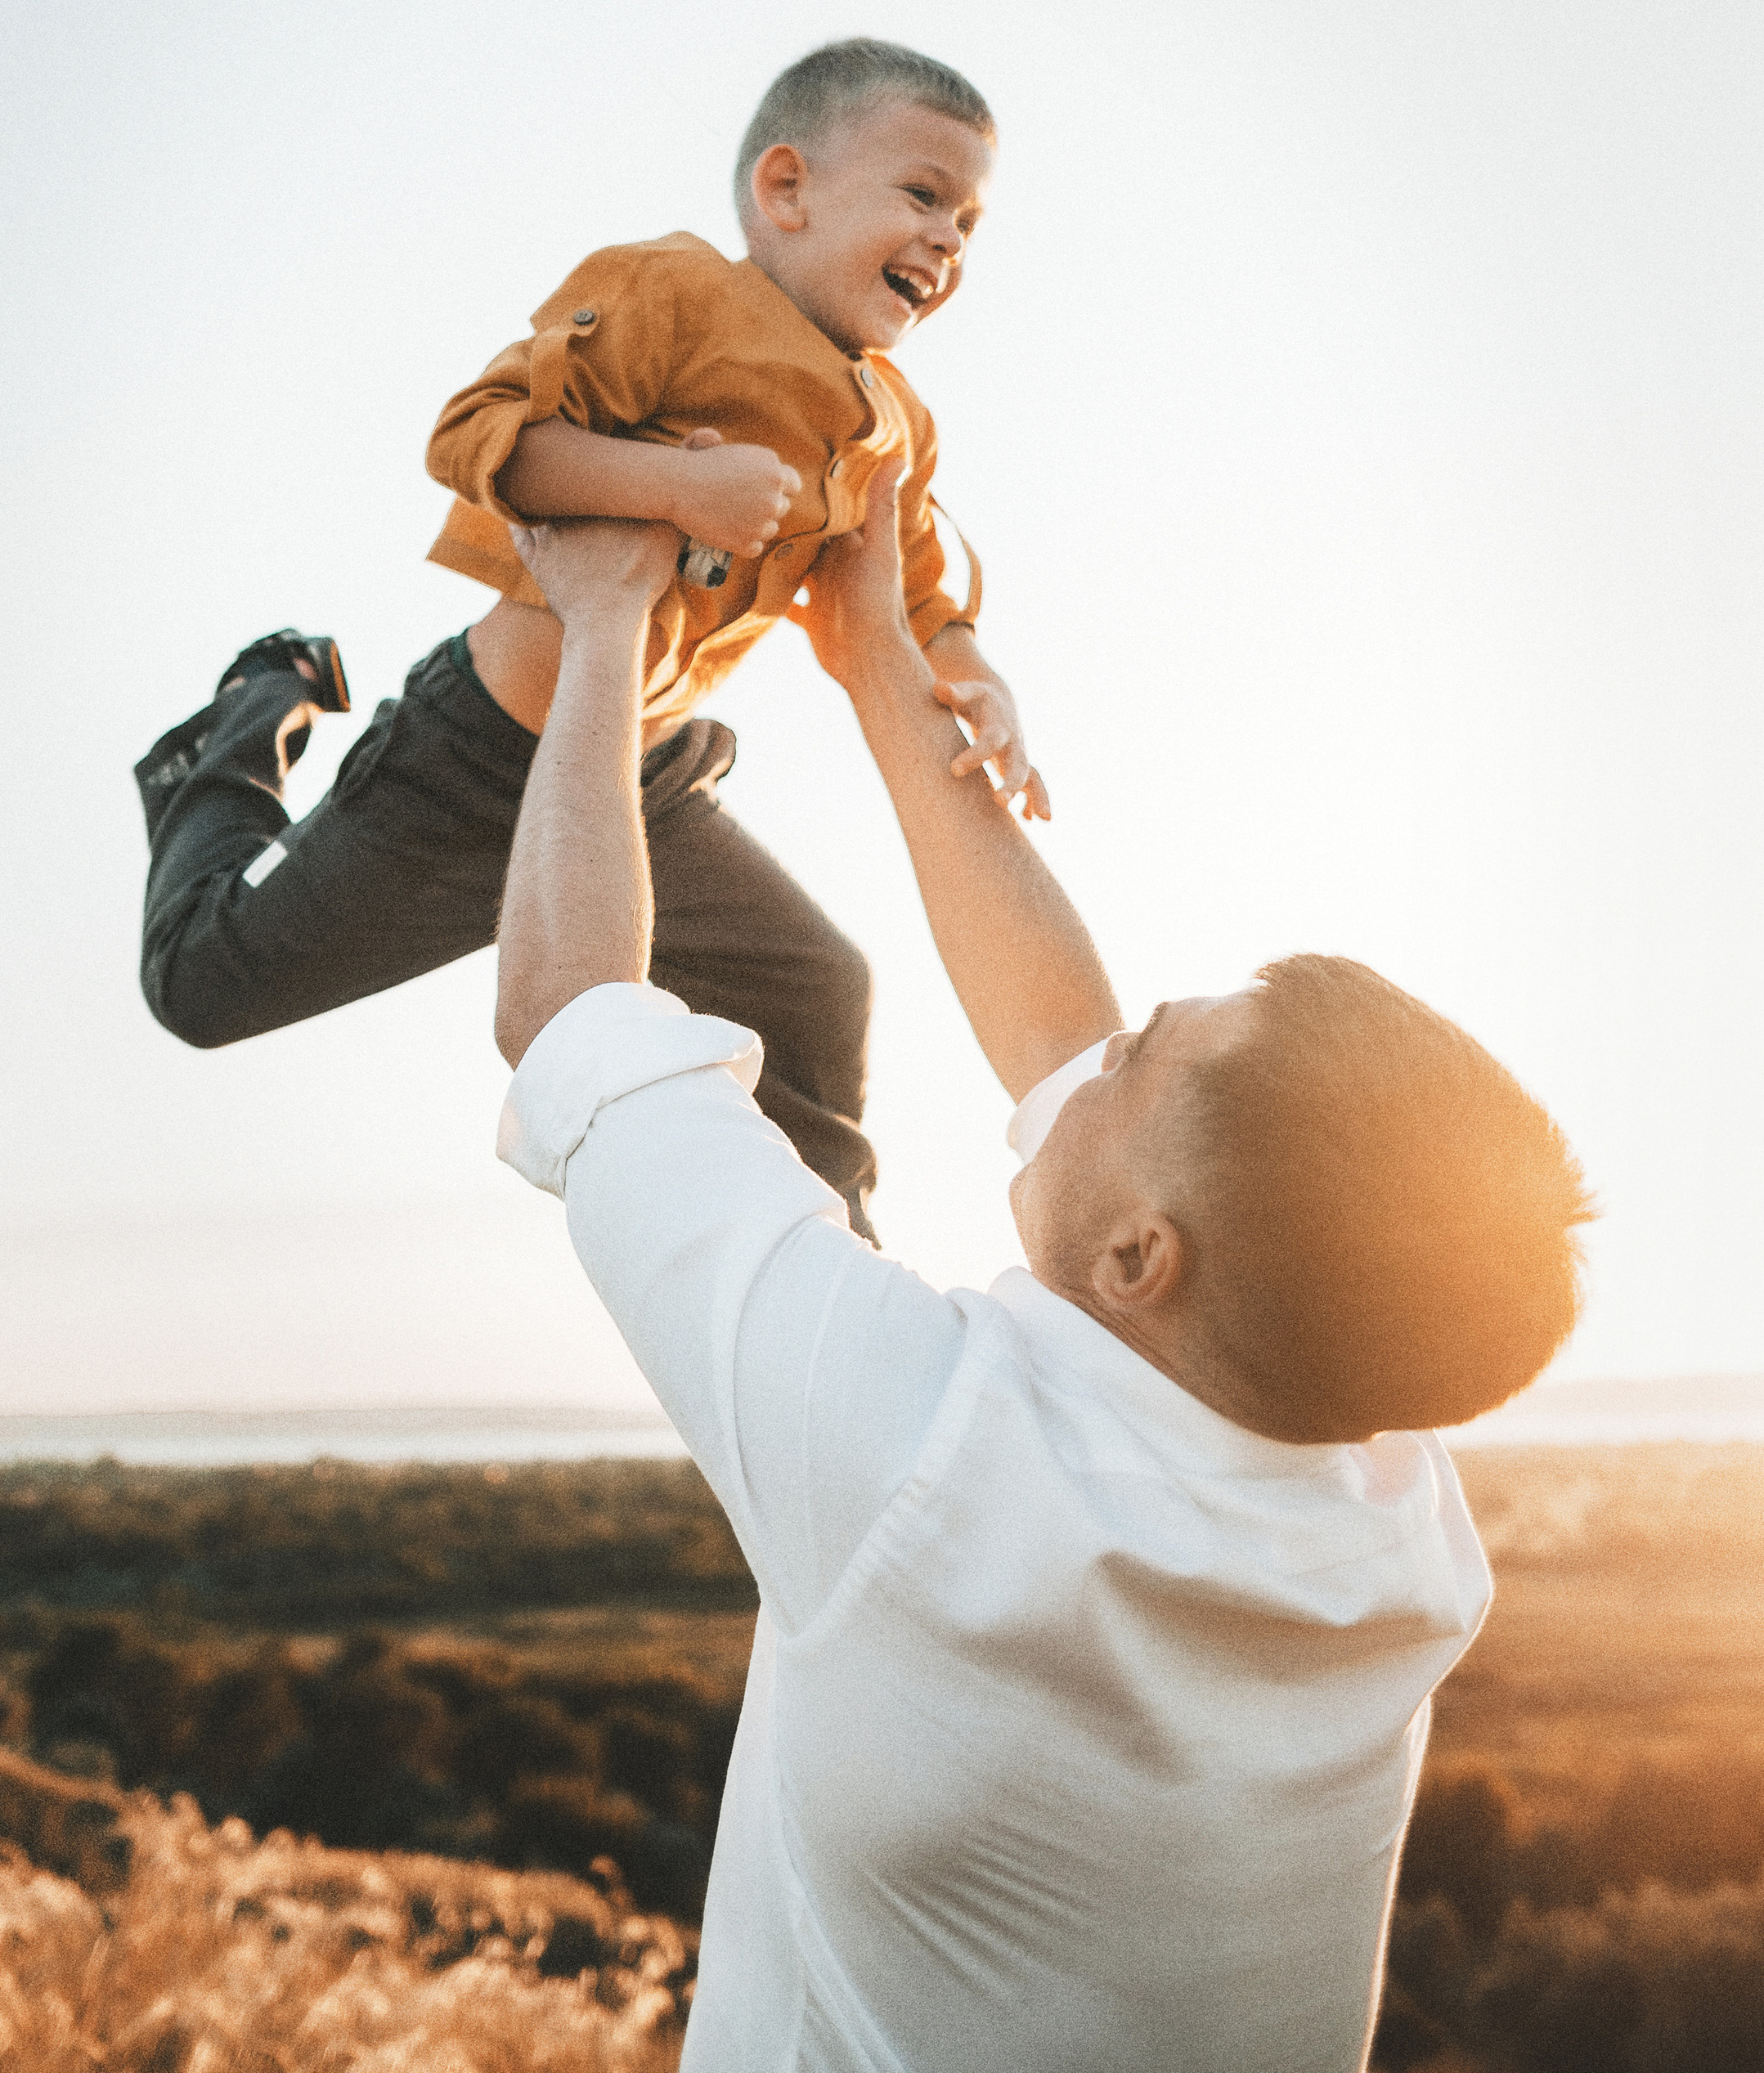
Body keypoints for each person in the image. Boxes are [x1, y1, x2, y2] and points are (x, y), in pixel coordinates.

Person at [490, 478, 1594, 2073]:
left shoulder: (910, 1458)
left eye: (1138, 1054)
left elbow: (569, 1012)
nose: (1091, 1056)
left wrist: (600, 622)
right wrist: (873, 656)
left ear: (1142, 1260)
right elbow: (1077, 1059)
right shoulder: (1380, 1493)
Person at [132, 37, 1043, 1232]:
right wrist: (671, 491)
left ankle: (830, 1279)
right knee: (205, 985)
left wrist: (975, 675)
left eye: (969, 224)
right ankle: (240, 734)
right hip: (478, 759)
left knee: (817, 984)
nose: (947, 244)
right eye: (923, 197)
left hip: (640, 780)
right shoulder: (675, 296)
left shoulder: (893, 426)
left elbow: (922, 588)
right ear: (787, 189)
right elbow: (476, 434)